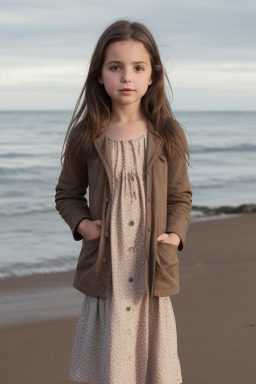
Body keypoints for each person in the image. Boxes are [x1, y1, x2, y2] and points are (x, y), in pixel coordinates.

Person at [55, 19, 192, 384]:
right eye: (115, 67)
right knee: (108, 367)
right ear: (100, 75)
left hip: (150, 270)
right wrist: (84, 226)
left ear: (152, 76)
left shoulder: (167, 134)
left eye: (137, 67)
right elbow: (67, 194)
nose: (126, 77)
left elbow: (181, 197)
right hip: (107, 269)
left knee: (155, 368)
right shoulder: (87, 135)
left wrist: (175, 236)